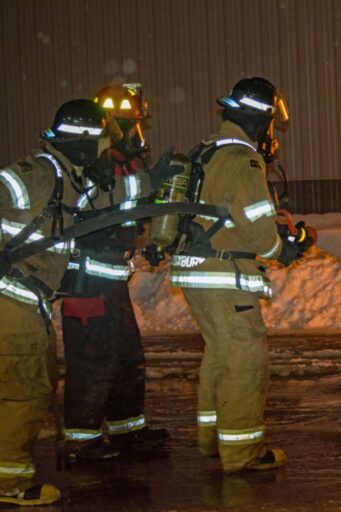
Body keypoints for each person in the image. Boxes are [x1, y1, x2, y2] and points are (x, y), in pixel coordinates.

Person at [0, 99, 179, 507]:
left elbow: (104, 199)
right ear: (83, 143)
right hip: (13, 295)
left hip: (29, 298)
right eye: (101, 141)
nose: (105, 150)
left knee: (31, 384)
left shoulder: (68, 176)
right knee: (23, 392)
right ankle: (9, 483)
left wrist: (150, 180)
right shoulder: (38, 172)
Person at [168, 77, 311, 472]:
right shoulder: (243, 158)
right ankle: (241, 454)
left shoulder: (208, 150)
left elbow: (227, 214)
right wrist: (285, 248)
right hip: (224, 277)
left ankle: (212, 440)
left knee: (219, 357)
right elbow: (258, 228)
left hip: (197, 272)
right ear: (261, 119)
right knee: (245, 364)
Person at [59, 84, 169, 461]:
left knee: (125, 356)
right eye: (125, 125)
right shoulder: (92, 162)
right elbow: (102, 200)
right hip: (86, 281)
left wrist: (153, 235)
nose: (132, 132)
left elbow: (133, 208)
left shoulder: (124, 161)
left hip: (111, 278)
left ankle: (127, 431)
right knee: (92, 361)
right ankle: (82, 441)